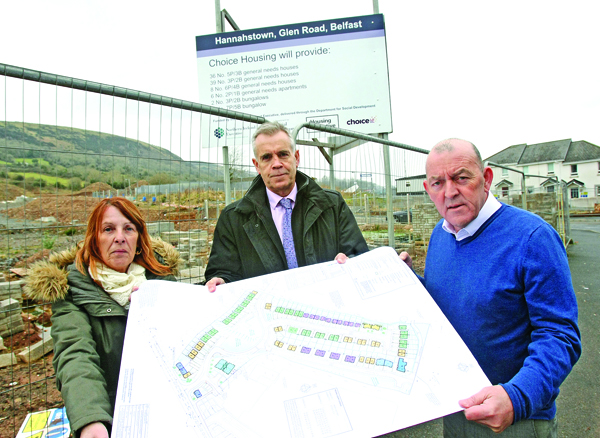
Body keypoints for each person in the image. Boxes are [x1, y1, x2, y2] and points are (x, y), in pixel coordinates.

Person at [401, 138, 581, 437]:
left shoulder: (532, 238)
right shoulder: (441, 234)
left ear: (485, 179)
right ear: (427, 189)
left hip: (515, 418)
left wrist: (518, 397)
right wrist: (405, 281)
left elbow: (559, 334)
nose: (450, 192)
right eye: (437, 183)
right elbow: (449, 300)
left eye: (461, 178)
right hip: (456, 406)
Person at [25, 197, 181, 438]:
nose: (119, 237)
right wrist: (92, 419)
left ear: (138, 240)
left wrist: (213, 294)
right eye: (108, 229)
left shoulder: (162, 280)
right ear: (95, 240)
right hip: (114, 417)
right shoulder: (72, 291)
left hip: (167, 411)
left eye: (128, 228)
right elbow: (75, 355)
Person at [205, 121, 368, 291]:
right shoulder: (233, 218)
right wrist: (221, 281)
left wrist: (351, 261)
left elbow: (359, 255)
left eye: (283, 154)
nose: (276, 164)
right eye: (266, 157)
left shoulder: (332, 205)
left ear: (296, 158)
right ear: (257, 165)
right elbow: (224, 272)